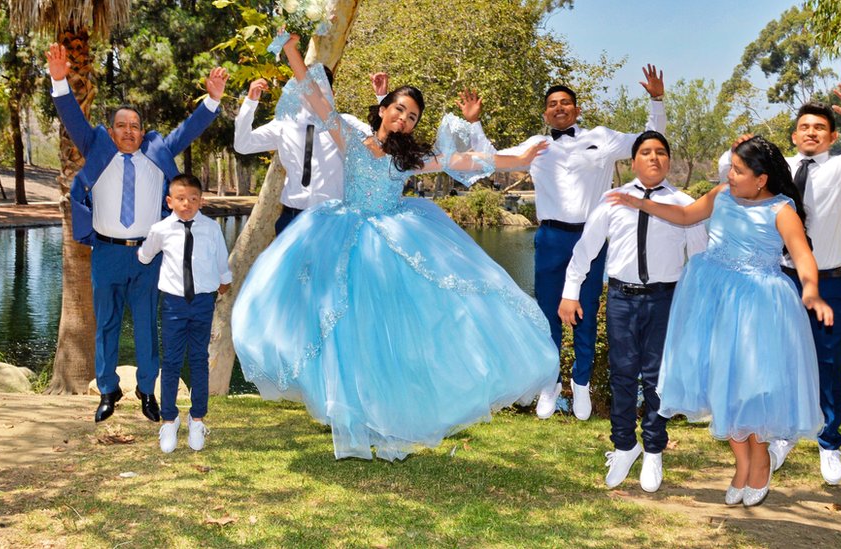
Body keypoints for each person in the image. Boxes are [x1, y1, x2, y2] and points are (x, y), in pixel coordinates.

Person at [231, 35, 559, 461]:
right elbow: (314, 95)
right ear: (383, 108)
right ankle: (352, 417)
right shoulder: (349, 136)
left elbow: (462, 162)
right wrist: (292, 49)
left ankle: (386, 419)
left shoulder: (410, 158)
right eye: (399, 110)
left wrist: (518, 160)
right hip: (341, 236)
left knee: (386, 335)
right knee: (344, 331)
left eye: (413, 116)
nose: (404, 119)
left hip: (391, 243)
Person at [609, 136, 833, 506]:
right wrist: (640, 203)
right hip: (712, 297)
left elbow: (803, 256)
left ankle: (759, 462)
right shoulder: (721, 196)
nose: (730, 174)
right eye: (730, 166)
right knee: (721, 385)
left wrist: (810, 291)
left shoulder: (781, 210)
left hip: (757, 305)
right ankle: (741, 464)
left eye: (738, 170)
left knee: (750, 389)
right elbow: (684, 216)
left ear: (761, 179)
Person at [719, 86, 841, 485]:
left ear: (833, 136)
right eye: (804, 127)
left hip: (828, 282)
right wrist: (740, 149)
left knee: (826, 364)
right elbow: (729, 175)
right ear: (793, 134)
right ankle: (782, 435)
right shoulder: (777, 169)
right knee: (774, 363)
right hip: (777, 280)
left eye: (820, 127)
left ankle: (829, 442)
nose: (811, 133)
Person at [46, 44, 227, 423]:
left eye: (135, 126)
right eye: (122, 126)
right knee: (106, 324)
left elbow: (188, 129)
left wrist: (212, 100)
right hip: (107, 254)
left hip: (148, 256)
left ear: (142, 131)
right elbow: (72, 117)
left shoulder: (156, 151)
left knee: (146, 327)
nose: (129, 131)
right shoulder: (96, 147)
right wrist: (59, 79)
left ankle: (147, 390)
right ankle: (108, 390)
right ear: (111, 131)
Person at [480, 68, 667, 421]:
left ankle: (580, 381)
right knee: (547, 312)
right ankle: (549, 384)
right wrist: (474, 124)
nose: (559, 108)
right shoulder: (535, 147)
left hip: (591, 238)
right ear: (546, 113)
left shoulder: (601, 137)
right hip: (550, 237)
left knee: (586, 311)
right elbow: (489, 159)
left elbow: (649, 141)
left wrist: (656, 100)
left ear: (577, 110)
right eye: (552, 104)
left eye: (566, 103)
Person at [558, 131, 707, 491]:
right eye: (645, 152)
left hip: (665, 300)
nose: (653, 158)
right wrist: (570, 293)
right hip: (622, 299)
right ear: (633, 161)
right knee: (622, 374)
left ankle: (654, 449)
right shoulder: (612, 201)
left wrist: (698, 305)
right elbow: (585, 250)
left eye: (660, 152)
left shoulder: (685, 205)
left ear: (669, 161)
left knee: (658, 376)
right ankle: (625, 445)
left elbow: (700, 259)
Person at [137, 174, 231, 452]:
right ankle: (169, 419)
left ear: (201, 200)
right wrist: (142, 252)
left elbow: (221, 263)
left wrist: (221, 286)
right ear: (170, 201)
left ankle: (197, 418)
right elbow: (145, 255)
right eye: (180, 199)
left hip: (202, 301)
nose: (187, 204)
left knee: (199, 359)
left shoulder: (212, 229)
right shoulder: (162, 229)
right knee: (172, 361)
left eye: (193, 199)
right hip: (174, 303)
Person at [234, 70, 383, 235]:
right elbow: (243, 145)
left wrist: (383, 100)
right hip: (292, 220)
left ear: (332, 94)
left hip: (334, 220)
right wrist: (250, 103)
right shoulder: (283, 124)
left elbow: (384, 144)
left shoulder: (346, 123)